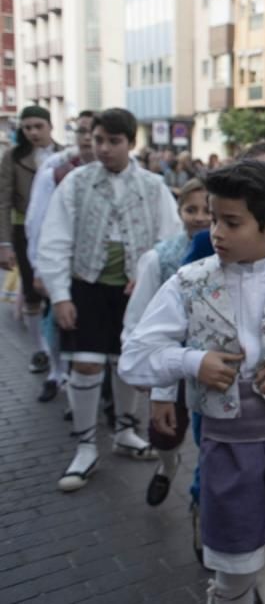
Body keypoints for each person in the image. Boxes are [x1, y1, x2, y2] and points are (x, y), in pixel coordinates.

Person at [119, 160, 265, 604]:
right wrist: (191, 361)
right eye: (213, 219)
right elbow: (135, 358)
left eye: (231, 222)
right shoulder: (189, 281)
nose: (216, 232)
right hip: (225, 449)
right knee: (233, 578)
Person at [36, 108, 183, 492]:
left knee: (124, 363)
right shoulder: (76, 183)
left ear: (131, 143)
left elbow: (167, 240)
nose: (103, 148)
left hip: (133, 290)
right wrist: (61, 295)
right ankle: (86, 445)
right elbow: (55, 239)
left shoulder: (153, 186)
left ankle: (124, 430)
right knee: (85, 364)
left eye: (113, 141)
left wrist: (147, 278)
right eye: (98, 140)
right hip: (87, 283)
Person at [117, 178, 211, 507]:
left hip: (214, 364)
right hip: (173, 360)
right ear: (179, 210)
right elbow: (139, 318)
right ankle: (167, 466)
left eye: (208, 210)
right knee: (165, 434)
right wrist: (154, 378)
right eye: (191, 209)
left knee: (213, 439)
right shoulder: (161, 258)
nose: (200, 217)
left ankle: (203, 497)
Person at [24, 112, 96, 402]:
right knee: (56, 319)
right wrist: (39, 268)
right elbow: (38, 220)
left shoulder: (125, 170)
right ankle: (57, 373)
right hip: (61, 261)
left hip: (96, 269)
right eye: (82, 131)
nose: (88, 138)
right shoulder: (57, 168)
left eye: (95, 132)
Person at [0, 106, 63, 377]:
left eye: (38, 126)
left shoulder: (65, 155)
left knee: (59, 291)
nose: (33, 132)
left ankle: (60, 353)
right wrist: (4, 244)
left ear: (50, 125)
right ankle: (41, 351)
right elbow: (2, 201)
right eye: (27, 127)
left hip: (60, 232)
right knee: (32, 292)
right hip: (24, 231)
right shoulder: (13, 157)